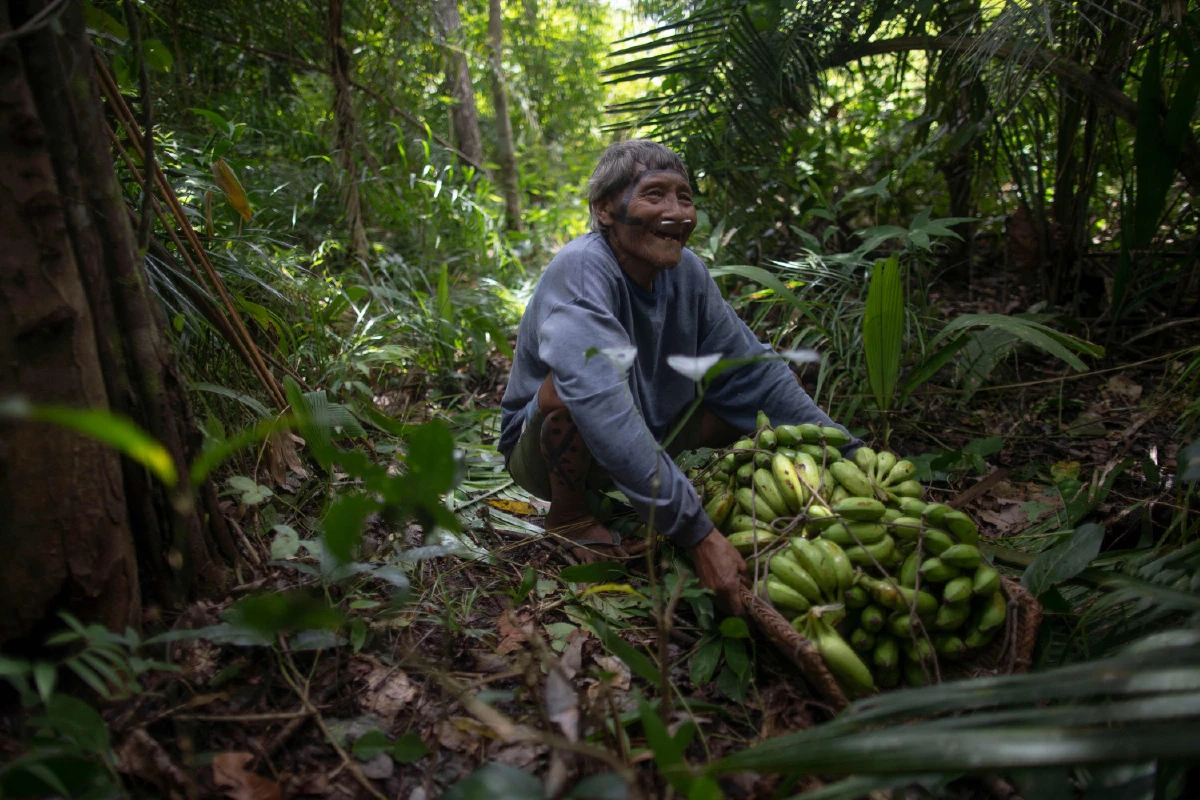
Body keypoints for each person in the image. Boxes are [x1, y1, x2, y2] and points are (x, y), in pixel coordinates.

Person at [498, 140, 861, 615]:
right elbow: (600, 404)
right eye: (654, 195)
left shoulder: (687, 273)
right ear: (605, 208)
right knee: (570, 390)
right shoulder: (584, 270)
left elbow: (754, 371)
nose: (677, 212)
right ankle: (569, 516)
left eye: (685, 198)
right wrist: (696, 532)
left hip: (647, 427)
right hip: (545, 449)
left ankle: (659, 483)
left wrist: (851, 452)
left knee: (746, 395)